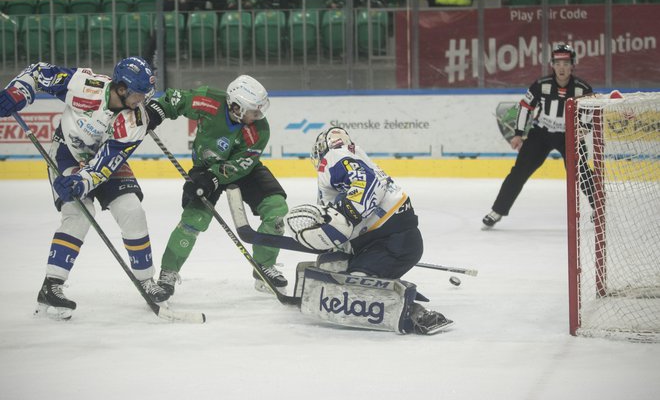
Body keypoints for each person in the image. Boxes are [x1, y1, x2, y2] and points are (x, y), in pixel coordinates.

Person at [0, 57, 168, 320]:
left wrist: (83, 181)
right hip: (67, 153)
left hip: (103, 160)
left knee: (132, 210)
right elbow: (37, 72)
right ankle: (51, 285)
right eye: (138, 94)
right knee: (79, 211)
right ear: (121, 88)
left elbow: (106, 162)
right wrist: (18, 91)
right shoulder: (83, 85)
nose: (142, 101)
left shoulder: (136, 120)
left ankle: (146, 281)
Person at [284, 127, 453, 335]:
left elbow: (366, 182)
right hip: (387, 239)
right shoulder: (352, 155)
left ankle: (415, 312)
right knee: (334, 266)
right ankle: (385, 286)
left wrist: (347, 214)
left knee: (356, 284)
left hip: (392, 241)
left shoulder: (334, 157)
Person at [145, 75, 289, 299]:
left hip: (245, 170)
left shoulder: (259, 129)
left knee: (276, 209)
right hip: (205, 168)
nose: (259, 116)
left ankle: (264, 267)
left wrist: (215, 177)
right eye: (254, 110)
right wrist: (156, 111)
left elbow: (243, 163)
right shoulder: (209, 100)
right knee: (192, 221)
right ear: (235, 106)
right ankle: (168, 273)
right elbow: (175, 99)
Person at [482, 43, 595, 228]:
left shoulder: (582, 89)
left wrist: (584, 127)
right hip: (541, 134)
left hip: (570, 137)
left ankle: (598, 208)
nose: (562, 68)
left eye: (566, 63)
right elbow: (525, 108)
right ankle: (497, 211)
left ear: (572, 65)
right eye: (558, 63)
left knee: (582, 173)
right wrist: (518, 134)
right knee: (519, 172)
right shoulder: (541, 85)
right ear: (552, 65)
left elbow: (591, 112)